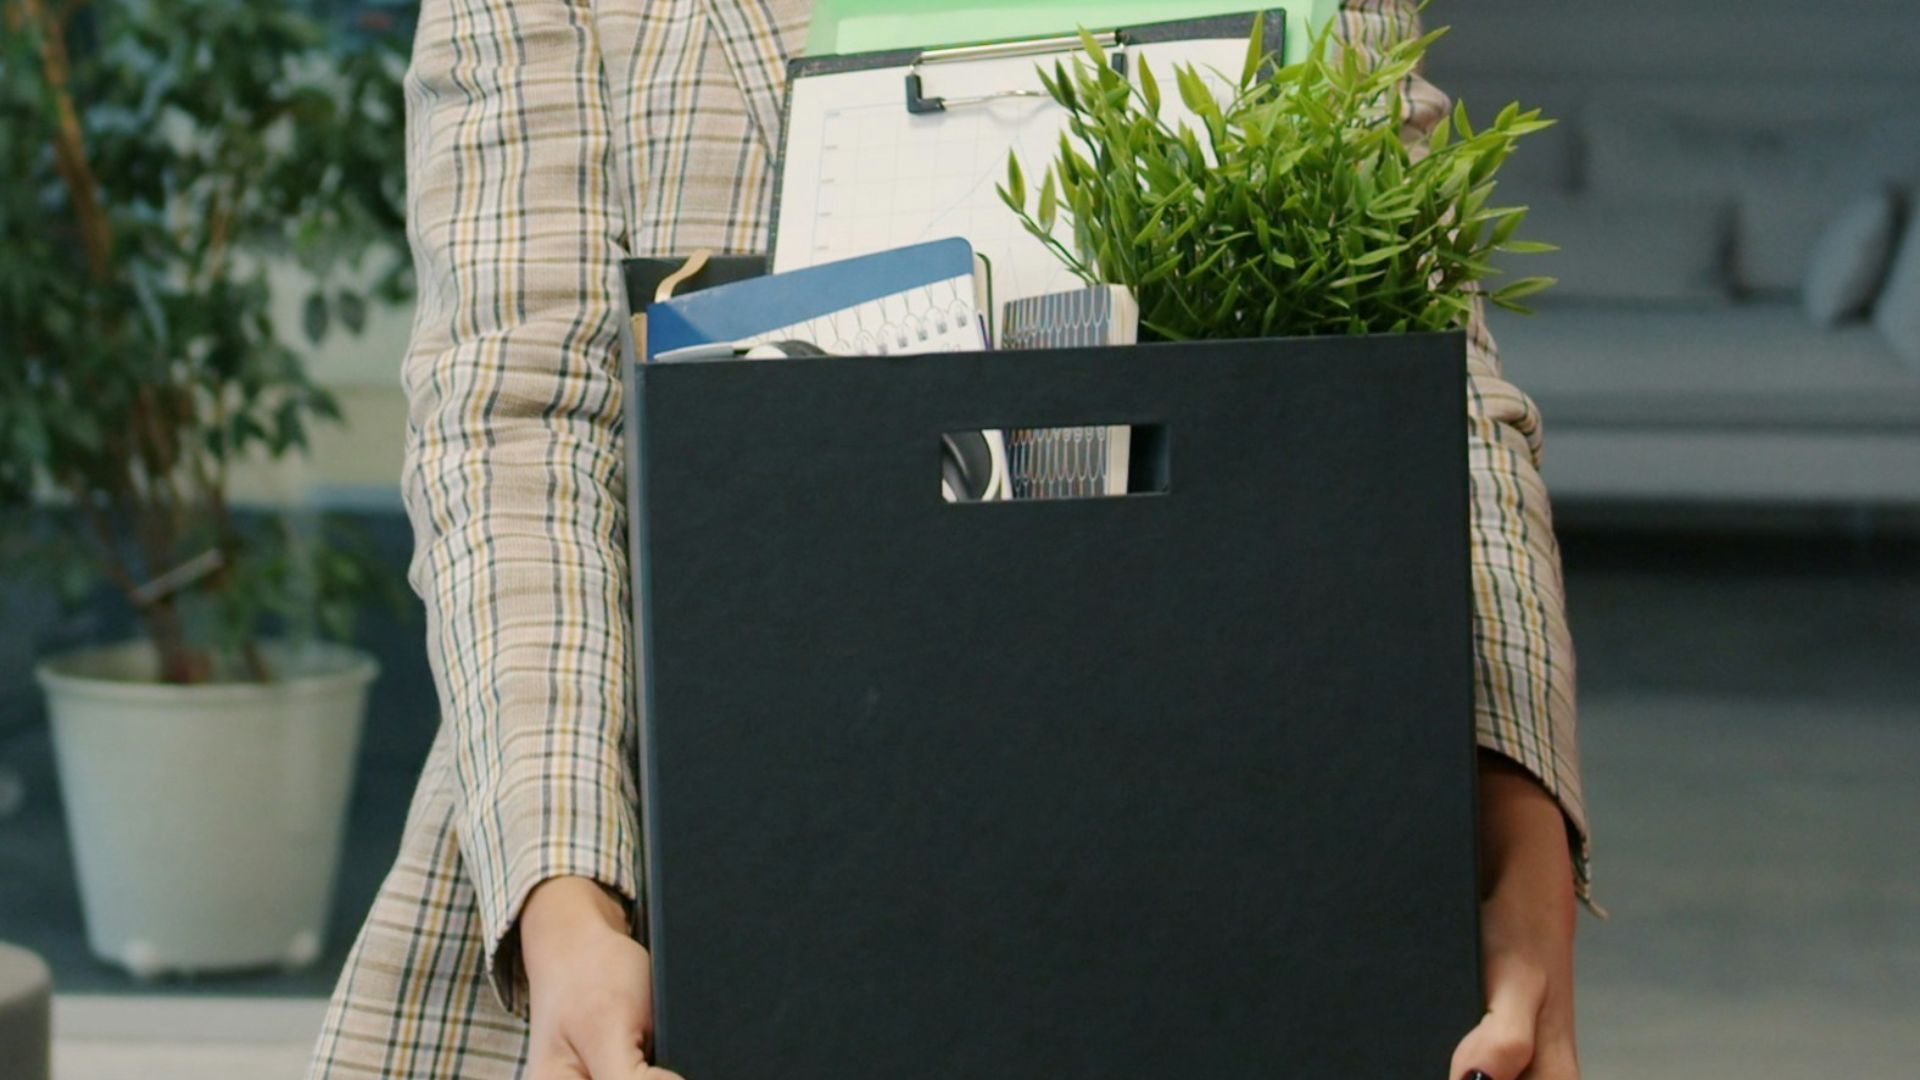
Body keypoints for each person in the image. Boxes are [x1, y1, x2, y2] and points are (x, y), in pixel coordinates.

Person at [309, 1, 1593, 1078]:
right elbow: (520, 423)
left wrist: (1522, 854)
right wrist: (568, 911)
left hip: (1252, 886)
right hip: (691, 908)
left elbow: (1434, 394)